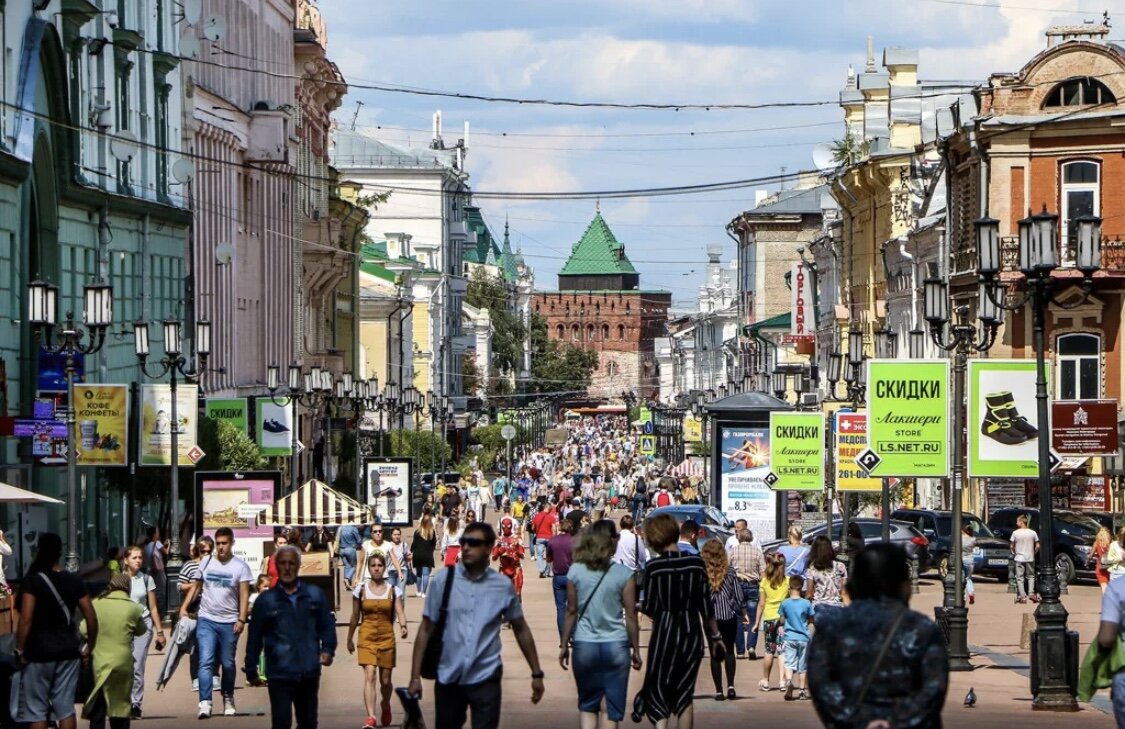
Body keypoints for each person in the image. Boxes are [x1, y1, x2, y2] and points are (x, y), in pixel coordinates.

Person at [408, 522, 546, 729]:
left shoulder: (501, 586)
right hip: (449, 676)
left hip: (486, 675)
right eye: (464, 542)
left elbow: (520, 628)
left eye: (474, 543)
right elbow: (425, 628)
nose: (465, 548)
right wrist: (414, 677)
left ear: (489, 547)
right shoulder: (443, 581)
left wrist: (536, 673)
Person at [809, 543, 949, 729]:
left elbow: (821, 685)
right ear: (903, 585)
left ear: (854, 583)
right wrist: (896, 722)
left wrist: (857, 721)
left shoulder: (831, 629)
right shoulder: (922, 629)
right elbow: (933, 691)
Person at [632, 513, 725, 729]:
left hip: (664, 634)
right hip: (690, 633)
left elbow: (652, 607)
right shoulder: (695, 563)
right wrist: (715, 637)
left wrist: (637, 606)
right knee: (685, 695)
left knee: (658, 692)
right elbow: (706, 606)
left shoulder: (654, 568)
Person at [559, 520, 641, 729]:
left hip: (585, 644)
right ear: (612, 541)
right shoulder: (624, 574)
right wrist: (636, 649)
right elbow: (631, 615)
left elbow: (571, 610)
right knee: (610, 709)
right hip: (616, 644)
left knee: (588, 705)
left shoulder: (575, 571)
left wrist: (563, 644)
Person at [245, 545, 337, 729]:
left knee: (308, 722)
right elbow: (254, 637)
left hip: (308, 671)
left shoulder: (314, 595)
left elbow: (327, 625)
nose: (287, 568)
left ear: (298, 565)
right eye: (283, 563)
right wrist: (251, 669)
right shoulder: (266, 601)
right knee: (281, 722)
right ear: (276, 566)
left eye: (291, 563)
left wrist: (328, 649)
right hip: (279, 671)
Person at [13, 532, 99, 729]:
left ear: (39, 551)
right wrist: (89, 647)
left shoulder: (32, 581)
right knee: (65, 707)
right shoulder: (73, 580)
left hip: (38, 652)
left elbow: (26, 618)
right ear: (60, 552)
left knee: (37, 710)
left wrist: (19, 649)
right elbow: (91, 616)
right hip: (68, 651)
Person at [179, 526, 253, 719]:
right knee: (205, 660)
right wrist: (184, 607)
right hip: (207, 619)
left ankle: (228, 696)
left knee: (228, 663)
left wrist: (241, 619)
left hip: (230, 621)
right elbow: (196, 587)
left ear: (232, 543)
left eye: (224, 543)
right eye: (218, 543)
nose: (220, 547)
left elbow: (245, 595)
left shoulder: (240, 567)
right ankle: (205, 702)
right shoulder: (206, 562)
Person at [347, 553, 408, 728]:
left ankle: (386, 704)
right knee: (370, 675)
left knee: (386, 681)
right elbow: (354, 616)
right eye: (373, 565)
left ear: (384, 568)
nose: (376, 568)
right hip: (366, 636)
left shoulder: (393, 590)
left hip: (386, 637)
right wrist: (349, 638)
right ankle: (371, 717)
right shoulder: (360, 590)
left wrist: (403, 625)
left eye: (379, 565)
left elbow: (399, 611)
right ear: (369, 568)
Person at [81, 573, 146, 729]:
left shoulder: (96, 604)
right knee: (120, 708)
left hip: (99, 663)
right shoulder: (134, 608)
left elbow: (83, 629)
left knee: (99, 709)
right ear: (127, 588)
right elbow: (141, 630)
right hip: (123, 663)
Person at [121, 545, 166, 717]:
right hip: (124, 626)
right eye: (134, 557)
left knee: (137, 665)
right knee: (123, 665)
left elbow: (153, 608)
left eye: (140, 557)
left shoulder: (147, 579)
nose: (138, 560)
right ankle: (122, 701)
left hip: (143, 625)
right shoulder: (118, 579)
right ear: (126, 560)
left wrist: (160, 632)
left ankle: (135, 704)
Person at [701, 540, 748, 701]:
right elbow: (738, 594)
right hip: (729, 617)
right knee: (729, 651)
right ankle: (731, 686)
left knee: (715, 655)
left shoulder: (703, 573)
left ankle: (719, 691)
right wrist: (743, 611)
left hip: (711, 618)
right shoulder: (730, 571)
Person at [179, 536, 215, 693]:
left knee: (213, 643)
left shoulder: (216, 565)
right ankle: (195, 678)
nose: (206, 554)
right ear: (197, 550)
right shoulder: (189, 566)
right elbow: (179, 586)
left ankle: (213, 675)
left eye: (209, 551)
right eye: (203, 551)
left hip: (212, 607)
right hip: (195, 607)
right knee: (196, 645)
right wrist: (195, 585)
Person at [754, 552, 788, 691]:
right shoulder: (787, 580)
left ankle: (765, 680)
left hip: (768, 619)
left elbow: (761, 604)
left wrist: (756, 622)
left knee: (769, 650)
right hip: (783, 619)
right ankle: (782, 681)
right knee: (782, 651)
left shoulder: (764, 582)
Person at [729, 529, 766, 659]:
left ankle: (739, 651)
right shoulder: (758, 553)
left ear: (739, 538)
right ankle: (751, 646)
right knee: (753, 618)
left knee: (738, 619)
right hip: (752, 586)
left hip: (737, 586)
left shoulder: (732, 551)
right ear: (751, 538)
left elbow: (727, 569)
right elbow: (763, 573)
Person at [779, 576, 814, 701]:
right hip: (803, 637)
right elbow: (811, 619)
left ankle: (789, 681)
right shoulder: (806, 603)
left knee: (789, 662)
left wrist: (781, 622)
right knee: (802, 665)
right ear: (801, 587)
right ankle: (802, 690)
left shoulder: (785, 603)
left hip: (789, 637)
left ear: (789, 588)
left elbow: (782, 619)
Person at [547, 517, 577, 640]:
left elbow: (548, 558)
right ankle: (574, 635)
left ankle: (563, 637)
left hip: (558, 576)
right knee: (573, 607)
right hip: (573, 576)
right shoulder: (574, 541)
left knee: (560, 608)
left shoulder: (553, 541)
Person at [803, 535, 848, 617]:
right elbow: (844, 592)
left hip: (819, 608)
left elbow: (809, 594)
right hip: (837, 608)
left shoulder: (812, 568)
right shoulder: (840, 566)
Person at [491, 519, 526, 602]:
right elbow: (494, 557)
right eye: (504, 526)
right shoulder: (500, 540)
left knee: (517, 594)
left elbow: (523, 555)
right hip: (504, 569)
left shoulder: (516, 538)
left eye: (508, 526)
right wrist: (500, 550)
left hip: (515, 569)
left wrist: (516, 548)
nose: (506, 528)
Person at [1010, 514, 1040, 603]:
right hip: (1030, 557)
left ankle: (1023, 596)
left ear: (1022, 522)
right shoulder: (1032, 533)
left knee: (1020, 578)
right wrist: (1034, 552)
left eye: (1018, 521)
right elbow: (1038, 545)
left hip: (1019, 558)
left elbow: (1012, 545)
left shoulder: (1015, 533)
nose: (1016, 523)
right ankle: (1031, 593)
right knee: (1031, 576)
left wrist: (1014, 552)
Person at [141, 526, 168, 616]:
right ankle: (162, 611)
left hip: (150, 570)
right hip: (159, 569)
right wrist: (169, 544)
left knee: (153, 590)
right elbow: (166, 552)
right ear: (154, 534)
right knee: (162, 590)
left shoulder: (146, 545)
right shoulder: (157, 543)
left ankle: (153, 608)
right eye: (157, 532)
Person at [411, 515, 437, 598]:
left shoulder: (417, 532)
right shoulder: (432, 533)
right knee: (426, 574)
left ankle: (418, 591)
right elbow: (434, 544)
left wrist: (411, 551)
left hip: (417, 554)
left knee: (419, 573)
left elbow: (414, 543)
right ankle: (424, 593)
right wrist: (431, 551)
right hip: (427, 554)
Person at [530, 504, 558, 578]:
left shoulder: (537, 516)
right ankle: (548, 572)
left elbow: (533, 528)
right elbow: (554, 529)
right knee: (549, 555)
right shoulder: (551, 517)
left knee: (539, 555)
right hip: (549, 538)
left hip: (539, 537)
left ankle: (541, 570)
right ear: (547, 508)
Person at [337, 522, 364, 590]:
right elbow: (359, 541)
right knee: (355, 566)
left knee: (347, 566)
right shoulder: (353, 528)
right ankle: (347, 578)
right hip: (350, 549)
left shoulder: (342, 527)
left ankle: (347, 585)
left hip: (341, 550)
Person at [1092, 526, 1113, 594]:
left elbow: (1091, 554)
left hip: (1100, 567)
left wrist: (1088, 559)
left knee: (1104, 586)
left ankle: (1106, 601)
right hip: (1109, 566)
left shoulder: (1096, 543)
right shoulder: (1110, 543)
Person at [961, 524, 977, 605]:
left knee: (961, 579)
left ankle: (963, 597)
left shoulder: (961, 539)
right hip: (970, 560)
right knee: (968, 578)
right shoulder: (973, 539)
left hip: (962, 559)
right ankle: (971, 593)